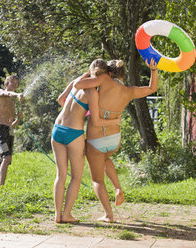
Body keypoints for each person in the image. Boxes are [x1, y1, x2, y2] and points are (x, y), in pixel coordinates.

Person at [74, 58, 158, 222]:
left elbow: (77, 85)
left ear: (109, 73)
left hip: (96, 138)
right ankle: (118, 187)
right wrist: (153, 70)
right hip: (114, 139)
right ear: (124, 75)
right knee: (105, 158)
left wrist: (91, 73)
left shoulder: (104, 79)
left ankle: (108, 215)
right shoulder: (128, 90)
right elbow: (152, 88)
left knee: (97, 179)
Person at [52, 72, 120, 223]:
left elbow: (61, 99)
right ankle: (67, 215)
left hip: (57, 129)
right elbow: (96, 121)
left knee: (60, 175)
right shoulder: (92, 93)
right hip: (74, 133)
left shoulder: (77, 80)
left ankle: (57, 216)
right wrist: (114, 121)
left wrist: (74, 109)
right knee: (76, 177)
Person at [0, 75, 24, 187]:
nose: (15, 85)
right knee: (6, 157)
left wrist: (19, 119)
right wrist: (17, 95)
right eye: (12, 82)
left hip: (8, 131)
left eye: (16, 84)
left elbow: (12, 125)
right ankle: (1, 188)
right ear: (6, 84)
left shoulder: (12, 104)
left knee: (3, 160)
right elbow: (8, 93)